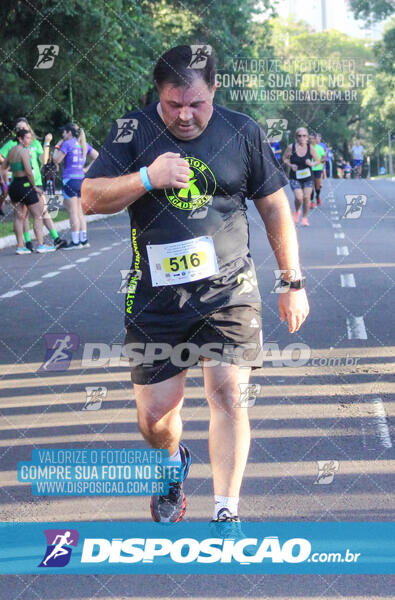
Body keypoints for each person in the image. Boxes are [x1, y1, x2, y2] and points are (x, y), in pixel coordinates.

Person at [82, 45, 309, 525]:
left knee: (228, 393)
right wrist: (148, 176)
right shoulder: (133, 130)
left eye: (196, 104)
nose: (184, 116)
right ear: (157, 96)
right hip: (155, 299)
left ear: (215, 91)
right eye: (173, 104)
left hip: (229, 289)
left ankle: (226, 511)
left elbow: (273, 205)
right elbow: (90, 198)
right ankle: (170, 463)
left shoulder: (242, 131)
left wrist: (292, 279)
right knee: (156, 418)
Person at [0, 118, 66, 250]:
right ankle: (38, 243)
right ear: (19, 137)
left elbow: (44, 159)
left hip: (23, 183)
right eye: (18, 129)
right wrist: (7, 179)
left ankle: (24, 245)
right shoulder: (15, 147)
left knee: (26, 214)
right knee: (35, 214)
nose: (21, 130)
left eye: (23, 127)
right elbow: (28, 171)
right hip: (28, 183)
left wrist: (5, 183)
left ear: (29, 128)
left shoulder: (34, 144)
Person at [53, 123, 98, 249]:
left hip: (70, 180)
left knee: (72, 212)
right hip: (81, 180)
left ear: (69, 133)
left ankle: (75, 241)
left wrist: (58, 144)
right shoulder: (83, 144)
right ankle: (83, 240)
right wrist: (85, 169)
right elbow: (97, 156)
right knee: (79, 212)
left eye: (64, 132)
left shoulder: (67, 144)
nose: (63, 134)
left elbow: (56, 159)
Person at [283, 127, 320, 227]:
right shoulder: (291, 147)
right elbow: (284, 158)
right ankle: (297, 211)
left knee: (307, 197)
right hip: (295, 177)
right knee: (299, 198)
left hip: (308, 177)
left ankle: (304, 218)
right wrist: (291, 165)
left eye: (304, 136)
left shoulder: (310, 148)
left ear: (307, 137)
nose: (302, 138)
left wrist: (311, 164)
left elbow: (317, 160)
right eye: (299, 136)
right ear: (296, 137)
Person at [309, 132, 326, 207]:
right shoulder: (306, 148)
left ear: (315, 139)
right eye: (310, 138)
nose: (311, 140)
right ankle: (311, 201)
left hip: (318, 169)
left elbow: (324, 158)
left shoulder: (320, 148)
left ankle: (317, 196)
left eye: (313, 138)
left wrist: (319, 162)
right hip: (309, 169)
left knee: (317, 186)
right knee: (310, 186)